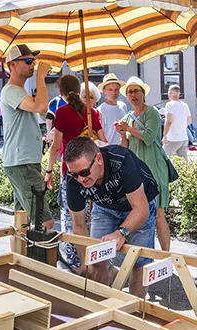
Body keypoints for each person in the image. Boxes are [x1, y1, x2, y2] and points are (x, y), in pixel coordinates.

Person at [64, 136, 157, 298]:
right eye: (75, 174)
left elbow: (141, 210)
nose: (80, 179)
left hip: (139, 204)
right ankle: (100, 309)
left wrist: (121, 233)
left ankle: (134, 314)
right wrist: (86, 263)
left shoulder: (122, 161)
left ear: (98, 159)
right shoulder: (73, 180)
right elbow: (78, 225)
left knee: (138, 265)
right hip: (105, 207)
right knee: (96, 262)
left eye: (84, 172)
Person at [45, 76, 107, 272]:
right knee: (90, 217)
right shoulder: (92, 113)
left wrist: (48, 170)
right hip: (93, 172)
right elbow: (103, 142)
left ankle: (75, 261)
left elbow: (56, 147)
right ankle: (93, 260)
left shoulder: (62, 112)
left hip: (71, 172)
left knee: (71, 217)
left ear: (60, 92)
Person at [0, 43, 54, 230]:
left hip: (23, 161)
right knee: (44, 222)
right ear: (12, 65)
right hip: (21, 162)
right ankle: (37, 259)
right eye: (28, 61)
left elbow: (40, 110)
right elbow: (41, 107)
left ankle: (19, 257)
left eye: (34, 61)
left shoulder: (18, 91)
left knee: (21, 221)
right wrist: (40, 76)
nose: (33, 65)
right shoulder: (12, 90)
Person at [115, 76, 173, 251]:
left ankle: (166, 256)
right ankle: (140, 256)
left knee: (159, 215)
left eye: (136, 91)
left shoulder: (152, 112)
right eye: (130, 92)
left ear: (143, 93)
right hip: (137, 171)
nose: (133, 95)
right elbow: (125, 147)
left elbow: (148, 136)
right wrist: (121, 134)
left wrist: (129, 128)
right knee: (138, 213)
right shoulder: (127, 116)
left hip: (154, 168)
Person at [163, 84, 191, 158]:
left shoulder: (169, 105)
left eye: (169, 92)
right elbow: (189, 121)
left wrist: (165, 136)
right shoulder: (185, 105)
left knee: (162, 158)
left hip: (172, 138)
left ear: (171, 93)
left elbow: (168, 121)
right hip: (183, 138)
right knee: (183, 163)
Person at [99, 73, 128, 145]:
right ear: (104, 91)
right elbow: (100, 135)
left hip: (124, 148)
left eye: (116, 89)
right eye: (110, 89)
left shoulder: (123, 106)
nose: (114, 92)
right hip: (109, 150)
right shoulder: (100, 110)